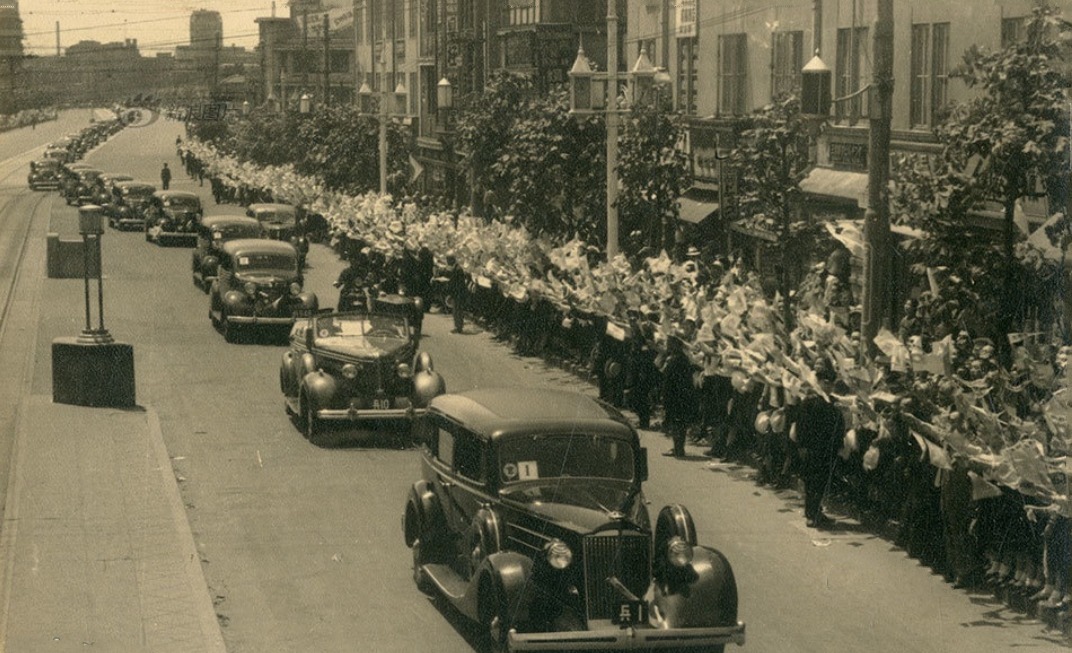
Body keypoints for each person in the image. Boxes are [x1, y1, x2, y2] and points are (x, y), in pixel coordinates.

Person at [794, 362, 845, 529]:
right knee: (812, 482)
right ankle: (810, 514)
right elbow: (801, 425)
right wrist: (802, 446)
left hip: (827, 448)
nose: (829, 386)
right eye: (826, 382)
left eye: (831, 383)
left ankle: (818, 511)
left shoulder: (831, 401)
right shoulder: (810, 400)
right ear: (820, 382)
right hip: (812, 447)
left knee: (822, 481)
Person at [659, 335, 697, 458]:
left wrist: (665, 396)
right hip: (682, 395)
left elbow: (669, 379)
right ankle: (678, 448)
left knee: (677, 423)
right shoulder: (682, 358)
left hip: (677, 396)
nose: (667, 345)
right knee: (679, 423)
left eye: (669, 342)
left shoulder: (676, 360)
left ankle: (678, 449)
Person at [445, 255, 467, 334]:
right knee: (456, 310)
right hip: (457, 292)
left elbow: (457, 283)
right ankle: (457, 326)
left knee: (457, 310)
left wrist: (451, 292)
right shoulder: (456, 268)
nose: (447, 262)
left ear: (451, 260)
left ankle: (458, 327)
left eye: (448, 260)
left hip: (458, 293)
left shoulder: (458, 269)